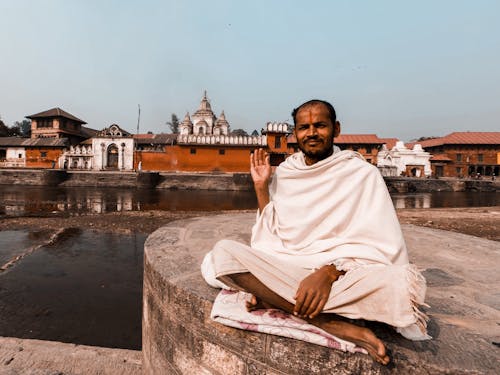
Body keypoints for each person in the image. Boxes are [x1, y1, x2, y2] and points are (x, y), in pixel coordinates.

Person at [202, 99, 429, 365]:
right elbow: (272, 237)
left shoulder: (361, 174)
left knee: (397, 283)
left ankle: (275, 299)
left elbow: (382, 248)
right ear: (295, 133)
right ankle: (328, 322)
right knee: (222, 256)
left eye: (320, 125)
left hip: (341, 276)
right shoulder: (287, 172)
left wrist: (328, 272)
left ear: (336, 129)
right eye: (304, 127)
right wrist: (262, 187)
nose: (311, 133)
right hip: (292, 265)